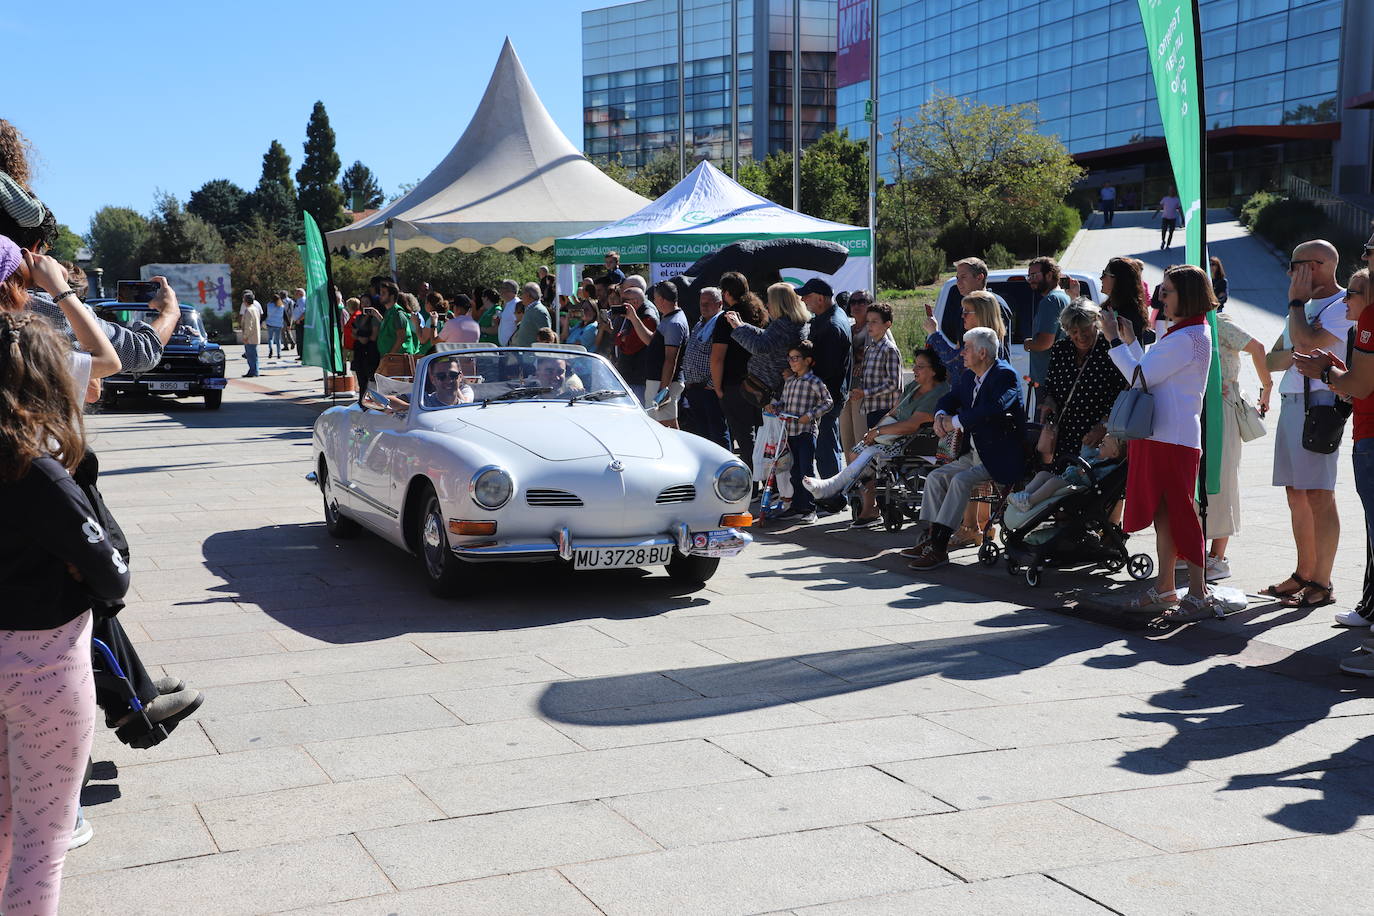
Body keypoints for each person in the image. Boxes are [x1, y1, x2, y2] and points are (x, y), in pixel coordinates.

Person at [0, 310, 130, 916]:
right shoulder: (36, 471)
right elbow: (113, 571)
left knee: (4, 828)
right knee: (40, 843)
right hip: (43, 666)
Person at [1107, 264, 1219, 618]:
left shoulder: (1188, 336)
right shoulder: (1183, 333)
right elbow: (1150, 373)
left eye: (1166, 291)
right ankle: (1166, 587)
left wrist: (1113, 340)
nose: (1160, 297)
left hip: (1172, 439)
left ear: (1185, 294)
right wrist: (1127, 343)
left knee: (1180, 514)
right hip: (1165, 436)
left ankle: (1197, 593)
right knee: (1166, 514)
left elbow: (1139, 377)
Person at [1260, 240, 1352, 610]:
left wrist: (1297, 308)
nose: (1289, 274)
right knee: (1295, 492)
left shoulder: (1343, 304)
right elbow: (1272, 359)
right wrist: (1298, 345)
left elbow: (1309, 342)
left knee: (1318, 493)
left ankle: (1323, 581)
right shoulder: (1301, 308)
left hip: (1322, 405)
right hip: (1293, 401)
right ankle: (1303, 572)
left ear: (1314, 266)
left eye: (1294, 265)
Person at [1294, 268, 1374, 673]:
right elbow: (1359, 384)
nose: (1346, 300)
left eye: (1353, 293)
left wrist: (1326, 371)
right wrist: (1336, 370)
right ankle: (1370, 606)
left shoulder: (1371, 319)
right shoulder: (1363, 321)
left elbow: (1359, 386)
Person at [905, 327, 1026, 570]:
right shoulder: (971, 375)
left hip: (997, 457)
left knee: (960, 480)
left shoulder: (1004, 376)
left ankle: (939, 548)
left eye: (967, 348)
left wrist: (955, 422)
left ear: (982, 352)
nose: (962, 353)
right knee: (935, 478)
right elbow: (951, 398)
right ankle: (930, 539)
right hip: (973, 454)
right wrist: (941, 415)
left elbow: (993, 409)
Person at [806, 346, 950, 528]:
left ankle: (834, 489)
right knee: (855, 453)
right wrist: (875, 430)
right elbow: (894, 411)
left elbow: (913, 424)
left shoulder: (938, 393)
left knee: (868, 455)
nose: (914, 370)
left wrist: (880, 432)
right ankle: (867, 506)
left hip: (917, 439)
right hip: (895, 435)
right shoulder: (914, 386)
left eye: (920, 366)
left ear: (934, 371)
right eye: (915, 365)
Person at [1194, 302, 1272, 581]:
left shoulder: (1218, 323)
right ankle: (1196, 552)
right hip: (1199, 408)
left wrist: (1267, 387)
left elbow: (1258, 347)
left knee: (1222, 477)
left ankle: (1218, 556)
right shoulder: (1189, 322)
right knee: (1198, 481)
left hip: (1222, 408)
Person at [1040, 299, 1128, 472]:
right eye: (1074, 331)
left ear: (1095, 323)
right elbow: (1050, 384)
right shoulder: (1061, 349)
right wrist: (1049, 402)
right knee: (1060, 483)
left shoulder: (1110, 349)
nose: (1080, 336)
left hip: (1097, 437)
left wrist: (1104, 426)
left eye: (1085, 328)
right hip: (1065, 434)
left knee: (1090, 490)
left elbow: (1123, 393)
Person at [768, 340, 833, 524]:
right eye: (790, 358)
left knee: (806, 471)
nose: (792, 362)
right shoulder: (790, 381)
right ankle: (797, 505)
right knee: (794, 471)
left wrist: (810, 415)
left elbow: (828, 402)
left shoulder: (814, 381)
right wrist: (776, 407)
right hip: (790, 433)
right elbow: (784, 403)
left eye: (796, 358)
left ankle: (810, 508)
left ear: (808, 360)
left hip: (806, 432)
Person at [797, 279, 853, 489]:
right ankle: (834, 494)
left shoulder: (831, 325)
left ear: (820, 298)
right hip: (830, 395)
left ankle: (835, 496)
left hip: (826, 398)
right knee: (827, 446)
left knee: (826, 449)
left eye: (807, 296)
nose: (803, 300)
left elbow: (827, 369)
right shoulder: (828, 318)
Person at [714, 273, 767, 471]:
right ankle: (765, 482)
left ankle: (752, 484)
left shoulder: (726, 318)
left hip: (735, 385)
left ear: (726, 293)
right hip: (761, 383)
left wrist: (718, 387)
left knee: (744, 438)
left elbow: (718, 357)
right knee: (761, 436)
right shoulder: (759, 312)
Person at [724, 281, 807, 402]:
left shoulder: (783, 325)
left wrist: (738, 327)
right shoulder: (794, 322)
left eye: (770, 301)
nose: (767, 305)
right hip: (776, 389)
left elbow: (759, 347)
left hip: (772, 393)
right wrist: (742, 325)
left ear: (780, 304)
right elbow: (767, 337)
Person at [1009, 434, 1125, 512]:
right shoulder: (1095, 456)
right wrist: (1086, 443)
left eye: (1103, 444)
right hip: (1069, 479)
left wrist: (1084, 476)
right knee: (1042, 474)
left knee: (1053, 482)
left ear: (1114, 453)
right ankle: (1023, 494)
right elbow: (1084, 453)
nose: (1100, 445)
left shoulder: (1109, 467)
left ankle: (1030, 501)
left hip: (1080, 487)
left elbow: (1098, 482)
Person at [631, 282, 688, 426]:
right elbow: (651, 341)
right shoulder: (669, 318)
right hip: (659, 382)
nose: (653, 301)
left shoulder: (674, 323)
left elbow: (670, 360)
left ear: (662, 299)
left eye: (655, 298)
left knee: (666, 426)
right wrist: (633, 318)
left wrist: (664, 390)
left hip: (663, 383)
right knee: (660, 424)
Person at [680, 286, 729, 448]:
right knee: (702, 435)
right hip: (694, 389)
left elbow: (721, 357)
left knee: (718, 433)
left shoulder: (721, 324)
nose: (704, 307)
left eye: (708, 303)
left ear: (720, 303)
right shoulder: (700, 324)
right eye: (702, 303)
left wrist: (712, 385)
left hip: (710, 390)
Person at [924, 289, 1008, 377]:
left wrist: (934, 333)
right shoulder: (985, 337)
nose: (962, 316)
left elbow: (953, 361)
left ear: (981, 314)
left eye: (966, 312)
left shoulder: (985, 340)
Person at [1024, 256, 1068, 409]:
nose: (1030, 280)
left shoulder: (1050, 301)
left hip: (1047, 380)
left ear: (1049, 275)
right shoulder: (1063, 297)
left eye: (1034, 275)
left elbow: (1045, 343)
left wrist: (1028, 344)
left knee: (1043, 428)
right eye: (1029, 276)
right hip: (1058, 377)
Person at [854, 302, 902, 431]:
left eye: (874, 321)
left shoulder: (889, 349)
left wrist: (865, 392)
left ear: (887, 325)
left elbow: (893, 384)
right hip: (871, 408)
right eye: (868, 321)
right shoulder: (870, 349)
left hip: (886, 411)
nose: (869, 325)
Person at [839, 289, 873, 462]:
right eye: (853, 302)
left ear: (870, 304)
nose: (856, 305)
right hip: (846, 389)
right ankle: (850, 480)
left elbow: (886, 356)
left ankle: (865, 481)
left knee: (861, 438)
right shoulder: (848, 328)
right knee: (847, 438)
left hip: (864, 391)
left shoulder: (876, 328)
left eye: (862, 301)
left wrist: (862, 363)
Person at [1100, 256, 1154, 344]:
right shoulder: (1111, 306)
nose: (1101, 278)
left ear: (1118, 279)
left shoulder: (1127, 315)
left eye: (1104, 274)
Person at [377, 280, 418, 365]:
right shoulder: (389, 312)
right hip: (391, 359)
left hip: (399, 360)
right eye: (380, 293)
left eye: (384, 293)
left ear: (392, 296)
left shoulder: (398, 313)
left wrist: (390, 356)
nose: (380, 295)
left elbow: (401, 338)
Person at [351, 298, 383, 402]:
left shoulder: (375, 319)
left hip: (370, 351)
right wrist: (359, 335)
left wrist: (359, 334)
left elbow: (372, 336)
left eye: (367, 303)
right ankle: (362, 400)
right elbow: (353, 333)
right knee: (361, 378)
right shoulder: (359, 317)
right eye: (363, 303)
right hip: (359, 351)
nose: (365, 305)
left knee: (370, 378)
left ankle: (370, 401)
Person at [511, 281, 551, 347]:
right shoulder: (531, 309)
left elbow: (546, 337)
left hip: (533, 354)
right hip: (526, 354)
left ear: (528, 295)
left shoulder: (539, 311)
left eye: (522, 293)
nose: (521, 296)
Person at [239, 290, 262, 377]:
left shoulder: (248, 310)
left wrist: (245, 336)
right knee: (253, 355)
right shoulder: (255, 309)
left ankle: (253, 371)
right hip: (255, 335)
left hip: (250, 337)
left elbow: (248, 325)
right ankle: (254, 370)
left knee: (251, 356)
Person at [1153, 185, 1183, 249]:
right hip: (1165, 217)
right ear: (1168, 191)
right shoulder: (1165, 199)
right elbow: (1160, 207)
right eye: (1170, 190)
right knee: (1164, 230)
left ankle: (1168, 244)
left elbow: (1179, 209)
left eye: (1172, 190)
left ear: (1174, 191)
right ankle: (1163, 241)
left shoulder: (1176, 200)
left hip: (1172, 218)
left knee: (1171, 232)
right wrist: (1155, 214)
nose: (1171, 192)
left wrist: (1182, 217)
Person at [496, 279, 521, 345]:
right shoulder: (509, 304)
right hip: (506, 348)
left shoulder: (517, 304)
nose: (500, 291)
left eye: (502, 288)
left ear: (510, 290)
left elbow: (520, 325)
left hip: (513, 348)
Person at [264, 291, 287, 359]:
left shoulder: (268, 305)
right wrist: (288, 324)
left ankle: (271, 349)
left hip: (270, 324)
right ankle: (278, 353)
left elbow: (265, 314)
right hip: (278, 324)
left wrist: (260, 321)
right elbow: (285, 316)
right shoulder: (282, 306)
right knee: (278, 339)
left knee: (270, 338)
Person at [291, 287, 308, 360]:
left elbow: (306, 312)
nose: (294, 294)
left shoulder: (303, 301)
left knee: (301, 339)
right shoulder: (299, 301)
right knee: (299, 339)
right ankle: (301, 355)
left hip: (301, 322)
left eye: (296, 293)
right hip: (298, 322)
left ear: (300, 294)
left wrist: (299, 319)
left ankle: (303, 355)